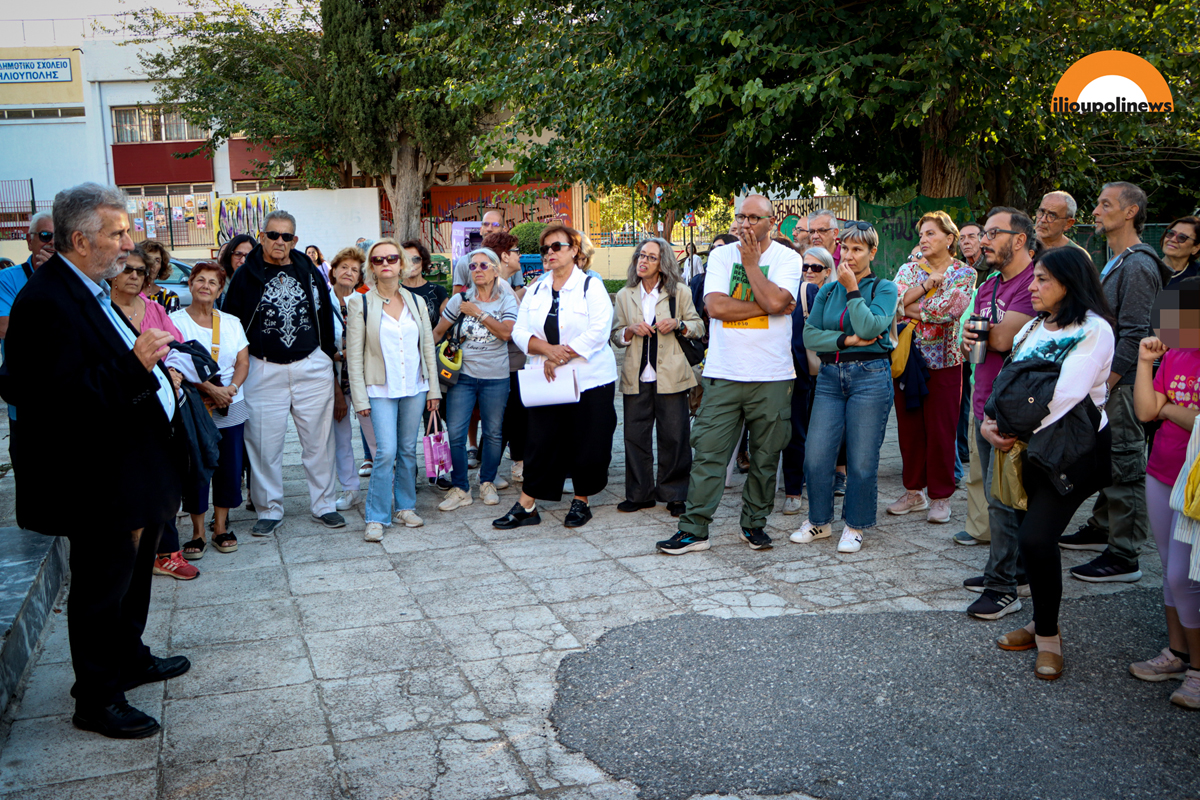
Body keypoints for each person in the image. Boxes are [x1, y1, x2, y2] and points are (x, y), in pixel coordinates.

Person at [0, 183, 190, 738]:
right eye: (118, 233)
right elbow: (52, 399)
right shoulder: (46, 302)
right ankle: (97, 698)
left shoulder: (91, 289)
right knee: (100, 587)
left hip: (132, 465)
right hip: (95, 478)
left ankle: (128, 657)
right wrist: (135, 366)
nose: (129, 244)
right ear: (81, 240)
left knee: (133, 579)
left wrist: (158, 373)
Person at [987, 247, 1115, 680]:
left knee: (1038, 540)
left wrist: (1008, 430)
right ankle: (1041, 622)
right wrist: (990, 423)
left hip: (1073, 450)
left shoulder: (1095, 330)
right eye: (1035, 279)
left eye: (1043, 280)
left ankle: (1049, 640)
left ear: (1069, 284)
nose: (1034, 287)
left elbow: (1066, 395)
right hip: (1030, 445)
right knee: (1030, 540)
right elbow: (1008, 380)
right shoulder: (1034, 327)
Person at [656, 195, 800, 554]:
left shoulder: (788, 258)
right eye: (741, 217)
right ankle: (694, 530)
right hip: (723, 373)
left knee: (766, 457)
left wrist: (752, 266)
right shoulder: (720, 256)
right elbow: (716, 306)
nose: (746, 224)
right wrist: (770, 303)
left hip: (772, 375)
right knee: (708, 453)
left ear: (771, 221)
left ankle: (753, 525)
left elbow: (779, 302)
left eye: (754, 217)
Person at [1059, 182, 1171, 582]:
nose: (1095, 211)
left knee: (1125, 463)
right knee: (1107, 457)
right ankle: (1102, 527)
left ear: (1130, 212)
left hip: (1122, 387)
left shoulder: (1139, 265)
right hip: (1109, 384)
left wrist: (1108, 385)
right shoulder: (1117, 261)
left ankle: (1125, 555)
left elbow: (1137, 334)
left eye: (1106, 204)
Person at [222, 210, 345, 535]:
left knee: (319, 441)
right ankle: (269, 509)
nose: (279, 241)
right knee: (263, 443)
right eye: (273, 235)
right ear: (262, 236)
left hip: (310, 364)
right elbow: (231, 324)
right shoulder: (245, 275)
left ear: (295, 240)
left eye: (286, 236)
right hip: (263, 368)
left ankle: (324, 505)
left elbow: (325, 317)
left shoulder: (308, 269)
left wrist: (325, 355)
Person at [495, 223, 618, 530]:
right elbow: (520, 331)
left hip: (589, 378)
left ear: (574, 251)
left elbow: (599, 331)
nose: (549, 253)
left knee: (587, 440)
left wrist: (561, 354)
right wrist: (548, 351)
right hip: (547, 378)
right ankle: (528, 504)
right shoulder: (536, 288)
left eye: (556, 247)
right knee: (540, 440)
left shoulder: (592, 286)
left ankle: (581, 500)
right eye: (544, 249)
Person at [792, 221, 897, 554]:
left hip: (870, 376)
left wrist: (852, 290)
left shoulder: (885, 288)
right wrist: (848, 339)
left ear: (872, 253)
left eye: (858, 249)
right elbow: (810, 336)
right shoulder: (825, 291)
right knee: (816, 457)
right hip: (829, 377)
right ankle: (820, 521)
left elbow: (872, 323)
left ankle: (855, 525)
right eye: (846, 248)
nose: (849, 256)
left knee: (862, 460)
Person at [955, 208, 1040, 618]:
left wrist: (979, 330)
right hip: (982, 400)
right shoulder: (989, 283)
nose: (984, 240)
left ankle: (1003, 587)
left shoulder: (1036, 281)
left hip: (1014, 411)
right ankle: (1010, 568)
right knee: (997, 498)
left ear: (1019, 239)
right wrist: (972, 332)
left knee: (1004, 500)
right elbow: (967, 336)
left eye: (992, 233)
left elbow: (1004, 337)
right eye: (983, 233)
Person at [104, 245, 197, 581]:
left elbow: (178, 349)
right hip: (123, 411)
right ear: (111, 272)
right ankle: (131, 554)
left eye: (140, 271)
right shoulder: (103, 312)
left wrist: (173, 371)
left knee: (163, 478)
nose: (133, 276)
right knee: (130, 482)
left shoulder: (155, 309)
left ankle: (166, 552)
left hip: (161, 411)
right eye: (126, 269)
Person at [347, 239, 442, 541]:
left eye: (391, 258)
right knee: (385, 452)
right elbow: (354, 355)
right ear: (371, 267)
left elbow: (427, 345)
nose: (385, 263)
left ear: (401, 263)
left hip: (415, 385)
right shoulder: (360, 302)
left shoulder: (414, 301)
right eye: (378, 260)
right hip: (379, 388)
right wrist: (359, 397)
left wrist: (434, 390)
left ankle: (405, 506)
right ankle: (376, 516)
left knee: (407, 450)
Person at [887, 212, 975, 524]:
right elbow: (892, 306)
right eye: (921, 234)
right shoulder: (908, 269)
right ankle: (914, 493)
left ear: (949, 239)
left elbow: (950, 311)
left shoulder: (964, 273)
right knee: (910, 428)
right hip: (908, 359)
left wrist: (912, 307)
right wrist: (925, 289)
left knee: (942, 429)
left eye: (930, 234)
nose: (923, 240)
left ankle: (941, 497)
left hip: (947, 362)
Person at [1131, 320, 1200, 707]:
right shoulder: (1172, 355)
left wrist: (1168, 407)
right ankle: (1178, 654)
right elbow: (1144, 411)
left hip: (1195, 483)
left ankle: (1198, 670)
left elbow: (1163, 410)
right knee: (1169, 570)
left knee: (1182, 575)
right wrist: (1144, 362)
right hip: (1161, 473)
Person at [612, 238, 704, 517]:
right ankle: (639, 494)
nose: (643, 260)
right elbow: (615, 335)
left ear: (663, 264)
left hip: (672, 375)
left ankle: (675, 495)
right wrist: (629, 331)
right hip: (636, 376)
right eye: (641, 255)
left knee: (674, 437)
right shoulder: (624, 295)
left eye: (651, 257)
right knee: (634, 436)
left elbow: (698, 326)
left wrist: (679, 323)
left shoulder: (680, 293)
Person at [170, 262, 249, 558]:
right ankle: (197, 532)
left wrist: (231, 389)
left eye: (212, 282)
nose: (205, 286)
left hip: (230, 403)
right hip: (194, 406)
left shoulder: (231, 322)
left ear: (220, 289)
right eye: (199, 280)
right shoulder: (175, 322)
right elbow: (175, 363)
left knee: (229, 466)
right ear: (190, 284)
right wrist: (210, 389)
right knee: (196, 467)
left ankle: (221, 527)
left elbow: (243, 362)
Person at [432, 247, 518, 510]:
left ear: (495, 270)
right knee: (456, 433)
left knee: (493, 433)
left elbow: (506, 334)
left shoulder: (506, 299)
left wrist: (478, 313)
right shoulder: (460, 300)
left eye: (483, 265)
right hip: (464, 376)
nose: (477, 270)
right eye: (473, 266)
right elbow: (437, 332)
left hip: (496, 376)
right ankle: (461, 488)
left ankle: (487, 481)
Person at [780, 246, 834, 514]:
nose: (809, 272)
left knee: (810, 433)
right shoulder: (799, 291)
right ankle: (793, 488)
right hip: (799, 371)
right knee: (799, 432)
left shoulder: (831, 293)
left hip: (824, 371)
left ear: (827, 271)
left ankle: (800, 488)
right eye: (805, 267)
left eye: (816, 267)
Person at [328, 247, 369, 512]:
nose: (348, 272)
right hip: (333, 380)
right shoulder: (320, 303)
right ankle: (350, 489)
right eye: (344, 267)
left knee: (376, 437)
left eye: (354, 270)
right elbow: (320, 348)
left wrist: (343, 352)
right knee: (340, 439)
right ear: (333, 271)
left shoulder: (365, 302)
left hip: (364, 379)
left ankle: (385, 488)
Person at [0, 211, 54, 342]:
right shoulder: (7, 278)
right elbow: (4, 328)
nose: (53, 242)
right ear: (30, 241)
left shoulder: (76, 277)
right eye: (46, 235)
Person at [453, 209, 506, 292]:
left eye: (495, 225)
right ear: (481, 230)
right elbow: (456, 299)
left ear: (503, 230)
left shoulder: (509, 261)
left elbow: (518, 297)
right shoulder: (465, 262)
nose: (489, 229)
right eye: (486, 224)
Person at [400, 239, 451, 327]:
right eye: (406, 259)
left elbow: (447, 324)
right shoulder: (395, 291)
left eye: (416, 259)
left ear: (423, 262)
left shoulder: (438, 291)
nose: (411, 263)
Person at [1033, 191, 1090, 256]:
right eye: (1041, 211)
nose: (1043, 219)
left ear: (1068, 223)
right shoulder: (1021, 245)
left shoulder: (1078, 257)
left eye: (1052, 215)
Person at [216, 234, 256, 307]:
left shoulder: (261, 286)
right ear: (229, 256)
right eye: (237, 254)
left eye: (248, 255)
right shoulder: (217, 285)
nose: (243, 260)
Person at [141, 240, 181, 313]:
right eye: (148, 259)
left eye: (157, 260)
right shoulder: (128, 294)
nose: (152, 264)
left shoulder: (170, 297)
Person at [1161, 216, 1200, 287]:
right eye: (1171, 233)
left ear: (1196, 248)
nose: (1172, 239)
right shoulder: (1146, 271)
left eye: (1182, 237)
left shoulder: (1197, 275)